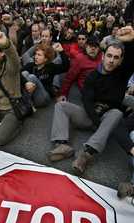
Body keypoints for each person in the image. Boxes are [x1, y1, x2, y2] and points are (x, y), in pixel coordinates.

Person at [48, 26, 134, 176]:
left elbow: (132, 60)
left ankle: (86, 154)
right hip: (91, 115)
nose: (111, 60)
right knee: (61, 106)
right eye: (109, 56)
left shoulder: (122, 74)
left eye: (116, 58)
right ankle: (62, 145)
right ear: (103, 56)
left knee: (116, 113)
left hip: (108, 118)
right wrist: (97, 122)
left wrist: (131, 41)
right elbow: (87, 101)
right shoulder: (92, 76)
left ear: (120, 61)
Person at [21, 42, 70, 108]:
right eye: (36, 54)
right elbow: (18, 74)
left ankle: (25, 105)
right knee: (24, 73)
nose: (36, 57)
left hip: (43, 97)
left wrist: (61, 51)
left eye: (39, 55)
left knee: (32, 77)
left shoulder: (50, 67)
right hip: (32, 96)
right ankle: (25, 102)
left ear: (45, 59)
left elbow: (66, 67)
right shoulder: (31, 65)